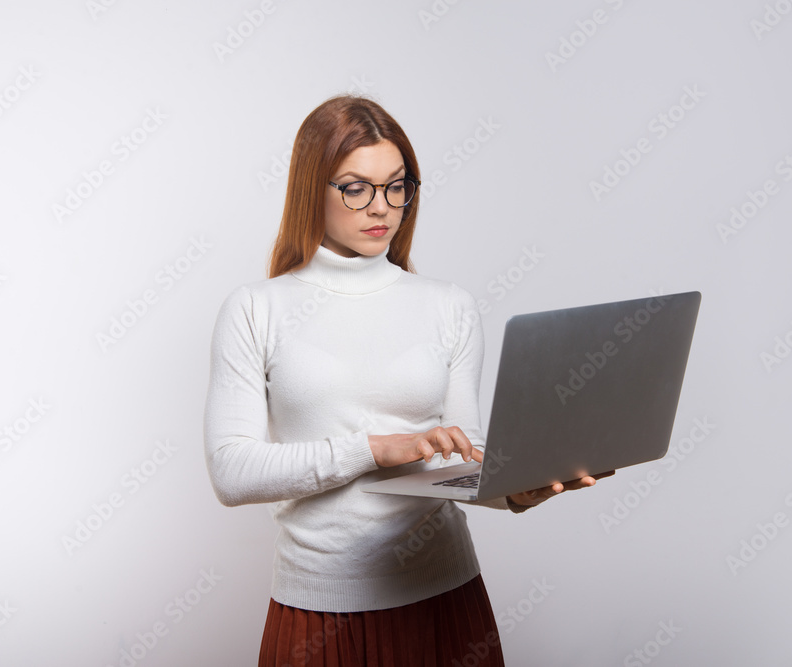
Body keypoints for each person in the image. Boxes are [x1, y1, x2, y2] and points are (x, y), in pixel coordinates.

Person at [203, 94, 610, 666]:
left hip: (444, 597)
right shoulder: (255, 309)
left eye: (397, 186)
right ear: (309, 189)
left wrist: (511, 489)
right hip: (318, 610)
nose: (382, 208)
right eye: (355, 187)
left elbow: (455, 460)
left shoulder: (449, 306)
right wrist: (373, 449)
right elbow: (232, 471)